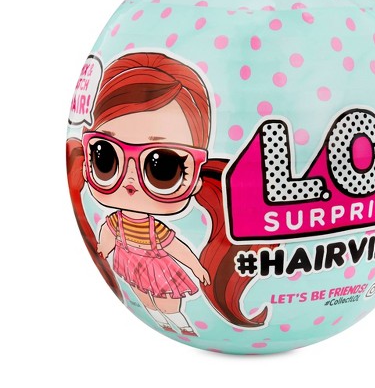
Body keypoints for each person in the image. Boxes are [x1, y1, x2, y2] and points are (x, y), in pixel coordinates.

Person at [67, 51, 268, 335]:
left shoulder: (155, 229)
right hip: (129, 263)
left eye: (162, 167)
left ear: (196, 179)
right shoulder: (115, 221)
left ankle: (181, 323)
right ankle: (162, 319)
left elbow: (175, 247)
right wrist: (104, 248)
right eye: (105, 157)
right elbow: (108, 236)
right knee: (145, 295)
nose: (130, 182)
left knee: (167, 300)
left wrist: (196, 267)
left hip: (157, 265)